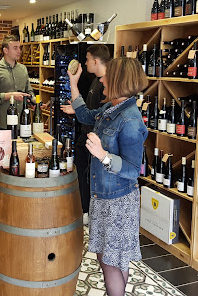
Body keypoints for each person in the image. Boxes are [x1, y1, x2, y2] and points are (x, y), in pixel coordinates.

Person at [68, 57, 148, 296]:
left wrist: (103, 155)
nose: (101, 79)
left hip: (118, 202)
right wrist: (74, 83)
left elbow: (134, 169)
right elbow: (83, 115)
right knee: (113, 259)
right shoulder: (111, 108)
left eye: (105, 76)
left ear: (118, 80)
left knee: (110, 262)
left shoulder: (131, 120)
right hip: (103, 197)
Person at [61, 44, 110, 225]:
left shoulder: (106, 84)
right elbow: (92, 111)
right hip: (85, 137)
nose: (85, 62)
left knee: (89, 177)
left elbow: (101, 115)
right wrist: (78, 110)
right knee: (82, 175)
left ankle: (89, 214)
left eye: (88, 59)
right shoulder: (96, 80)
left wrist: (78, 111)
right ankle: (84, 211)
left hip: (95, 142)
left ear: (95, 61)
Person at [0, 35, 34, 129]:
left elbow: (29, 91)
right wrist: (10, 96)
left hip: (23, 123)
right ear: (5, 50)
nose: (19, 51)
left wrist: (34, 101)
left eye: (20, 47)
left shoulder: (23, 69)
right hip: (2, 124)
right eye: (15, 48)